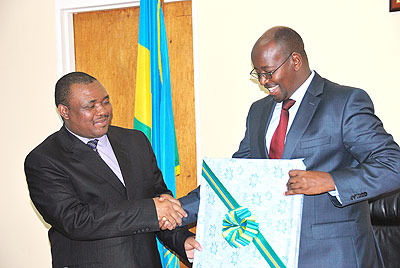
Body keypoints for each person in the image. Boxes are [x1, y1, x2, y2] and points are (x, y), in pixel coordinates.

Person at [179, 26, 400, 267]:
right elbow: (234, 180)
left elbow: (393, 165)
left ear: (295, 60)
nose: (264, 82)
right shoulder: (258, 112)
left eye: (268, 72)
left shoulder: (344, 103)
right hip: (273, 253)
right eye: (258, 74)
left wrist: (331, 181)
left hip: (335, 256)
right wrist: (174, 211)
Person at [24, 72, 200, 268]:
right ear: (64, 111)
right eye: (90, 106)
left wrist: (181, 240)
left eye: (105, 101)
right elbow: (75, 220)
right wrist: (151, 210)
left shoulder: (135, 141)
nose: (102, 111)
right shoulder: (45, 159)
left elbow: (159, 200)